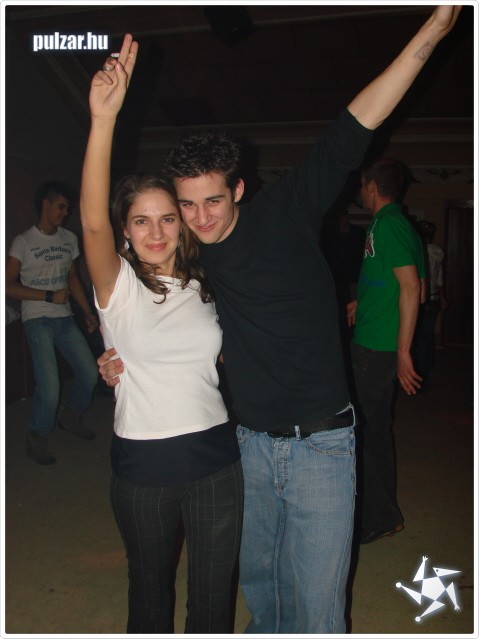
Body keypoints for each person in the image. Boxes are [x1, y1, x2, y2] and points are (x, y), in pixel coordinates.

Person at [98, 8, 461, 633]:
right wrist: (114, 356)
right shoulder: (191, 257)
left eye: (213, 201)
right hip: (246, 445)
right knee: (263, 594)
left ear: (239, 189)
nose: (200, 218)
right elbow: (147, 310)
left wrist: (433, 31)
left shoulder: (287, 209)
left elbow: (356, 125)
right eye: (188, 206)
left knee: (316, 606)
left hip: (323, 442)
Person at [80, 37, 243, 634]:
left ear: (182, 224)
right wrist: (104, 119)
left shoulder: (205, 284)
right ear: (125, 231)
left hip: (217, 460)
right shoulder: (117, 286)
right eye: (141, 220)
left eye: (167, 218)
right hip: (143, 466)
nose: (156, 232)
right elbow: (91, 221)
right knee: (149, 597)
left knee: (213, 599)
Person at [347, 158, 426, 545]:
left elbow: (412, 288)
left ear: (373, 187)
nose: (361, 192)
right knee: (374, 429)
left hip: (376, 347)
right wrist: (362, 303)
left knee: (356, 430)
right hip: (376, 340)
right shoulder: (398, 224)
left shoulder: (389, 225)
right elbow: (406, 286)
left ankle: (379, 516)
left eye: (363, 185)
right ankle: (383, 515)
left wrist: (403, 352)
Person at [6, 181, 100, 465]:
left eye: (67, 208)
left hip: (65, 318)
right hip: (37, 319)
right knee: (49, 387)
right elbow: (7, 285)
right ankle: (37, 433)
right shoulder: (24, 241)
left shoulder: (69, 238)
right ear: (46, 204)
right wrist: (47, 295)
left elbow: (72, 278)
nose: (65, 213)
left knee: (89, 374)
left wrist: (87, 312)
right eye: (61, 207)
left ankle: (70, 416)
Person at [413, 219, 448, 390]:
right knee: (427, 339)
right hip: (433, 299)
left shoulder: (417, 251)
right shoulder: (437, 253)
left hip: (420, 300)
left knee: (418, 339)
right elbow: (439, 277)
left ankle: (419, 375)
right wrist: (442, 298)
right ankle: (426, 374)